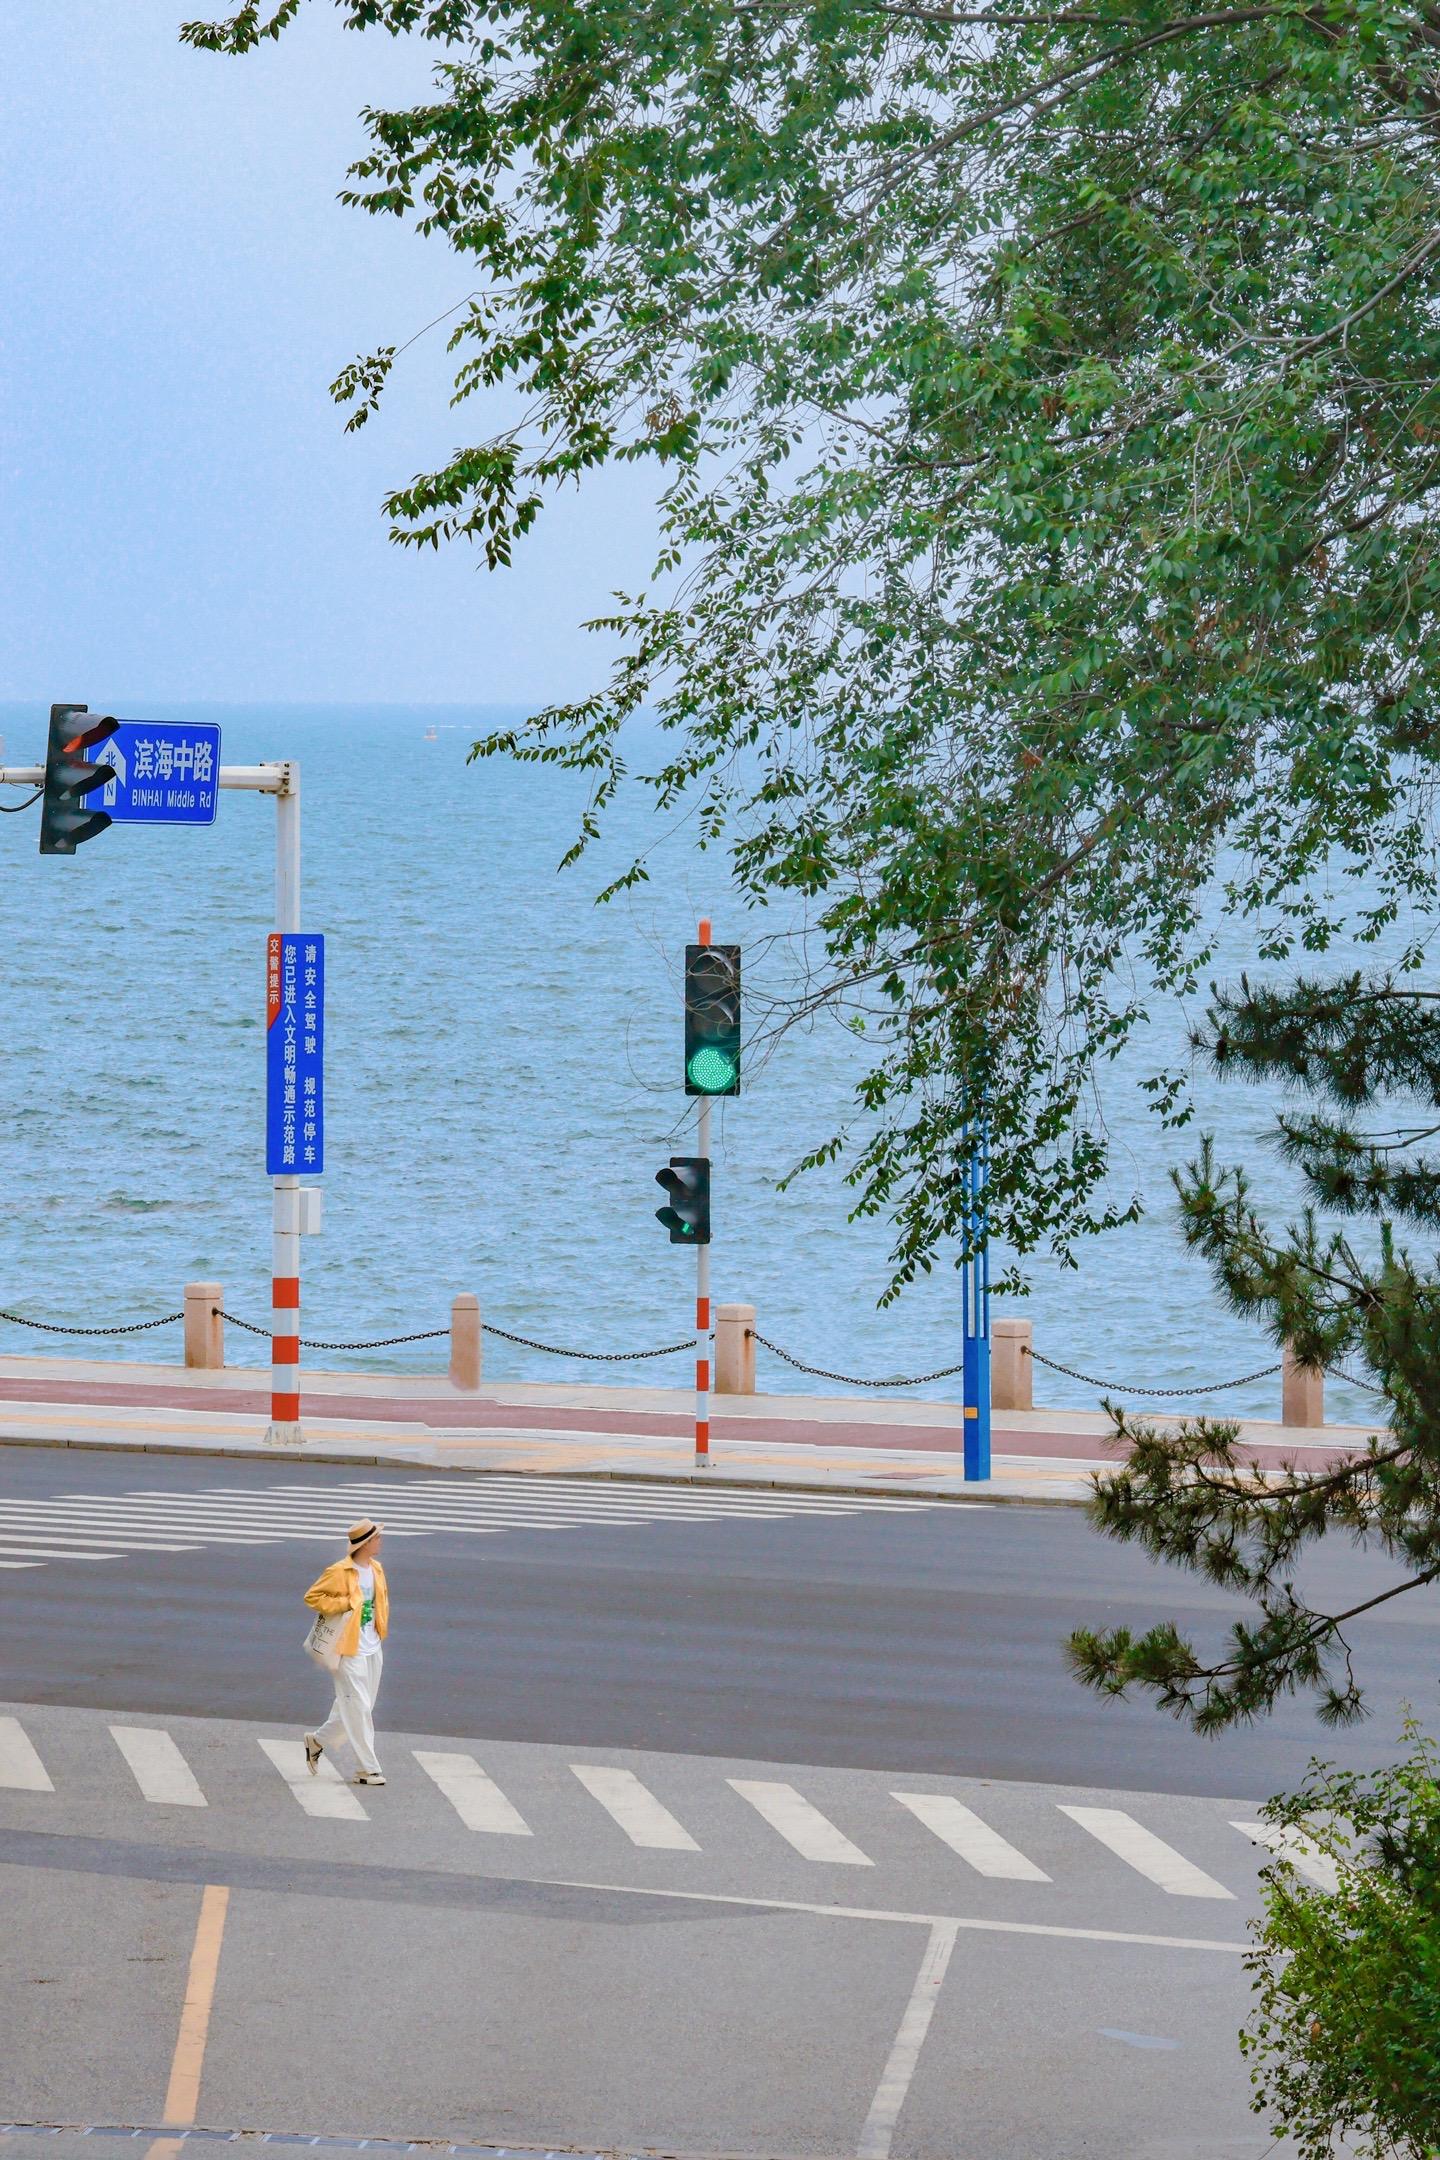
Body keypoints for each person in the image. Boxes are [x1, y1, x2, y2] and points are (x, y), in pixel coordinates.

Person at [303, 1518, 389, 1786]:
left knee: (358, 1707)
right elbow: (312, 1597)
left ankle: (317, 1741)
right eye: (376, 1538)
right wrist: (346, 1602)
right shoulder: (340, 1571)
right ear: (365, 1544)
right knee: (359, 1708)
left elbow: (380, 1603)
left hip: (373, 1646)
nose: (380, 1541)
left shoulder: (376, 1569)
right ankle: (367, 1769)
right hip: (347, 1649)